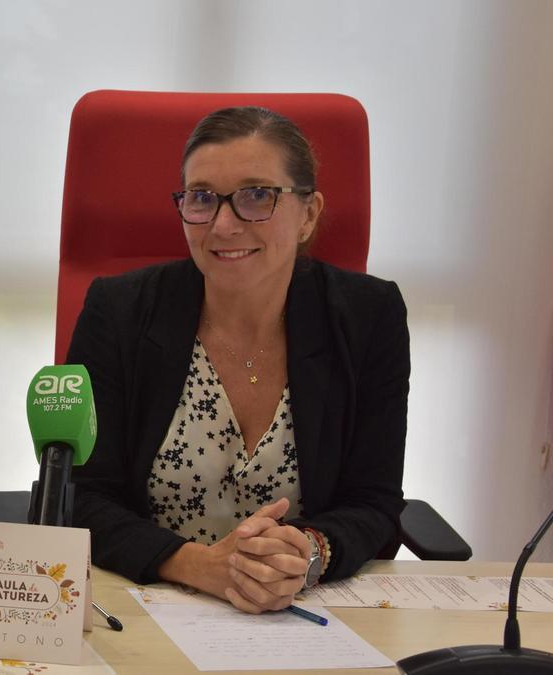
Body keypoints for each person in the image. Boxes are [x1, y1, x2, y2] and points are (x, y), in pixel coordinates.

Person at [67, 106, 407, 613]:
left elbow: (374, 500)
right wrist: (195, 565)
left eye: (256, 195)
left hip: (302, 613)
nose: (223, 225)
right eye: (202, 198)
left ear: (308, 214)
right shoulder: (118, 312)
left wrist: (307, 552)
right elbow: (81, 497)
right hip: (147, 604)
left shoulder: (368, 316)